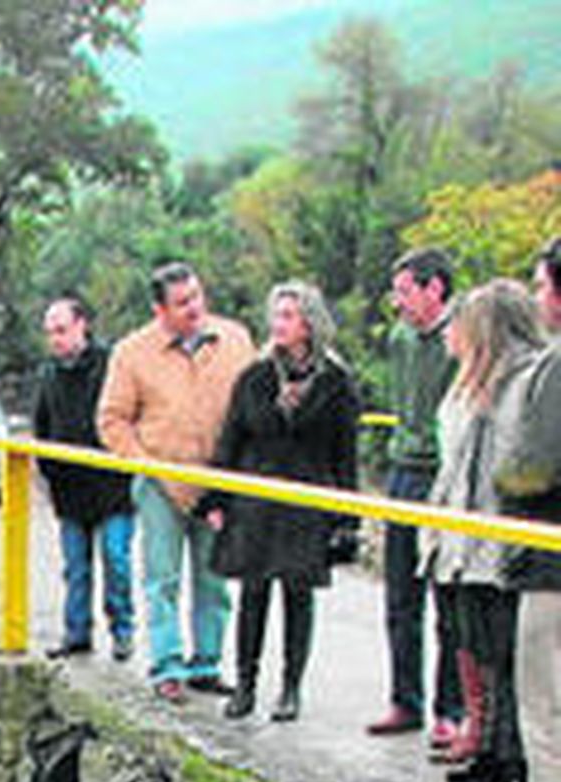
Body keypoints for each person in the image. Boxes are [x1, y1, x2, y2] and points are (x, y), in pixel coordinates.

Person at [98, 261, 255, 703]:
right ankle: (166, 665)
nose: (195, 308)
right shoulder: (132, 352)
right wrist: (145, 464)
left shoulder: (235, 339)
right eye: (183, 302)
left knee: (214, 578)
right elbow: (112, 420)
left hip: (218, 480)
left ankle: (206, 663)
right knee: (161, 578)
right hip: (160, 482)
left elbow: (252, 403)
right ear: (159, 310)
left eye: (198, 297)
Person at [203, 280, 360, 723]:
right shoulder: (255, 376)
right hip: (257, 497)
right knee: (253, 593)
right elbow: (231, 438)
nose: (280, 325)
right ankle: (245, 684)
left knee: (298, 595)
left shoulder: (335, 382)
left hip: (307, 498)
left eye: (289, 316)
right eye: (276, 316)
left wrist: (346, 516)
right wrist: (216, 497)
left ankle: (291, 688)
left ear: (309, 322)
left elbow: (344, 452)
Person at [420, 278, 544, 782]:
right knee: (479, 647)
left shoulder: (521, 383)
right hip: (464, 541)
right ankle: (493, 748)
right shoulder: (471, 386)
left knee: (506, 655)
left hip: (497, 543)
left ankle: (508, 756)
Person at [477, 236, 561, 782]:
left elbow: (531, 466)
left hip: (551, 561)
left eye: (541, 285)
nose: (538, 298)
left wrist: (506, 482)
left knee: (547, 702)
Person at [370, 247, 461, 741]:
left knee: (448, 597)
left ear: (435, 289)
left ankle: (450, 710)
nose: (398, 302)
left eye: (406, 291)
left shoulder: (460, 337)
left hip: (444, 476)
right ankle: (405, 699)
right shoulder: (401, 339)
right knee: (401, 595)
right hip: (403, 470)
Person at [32, 295, 135, 661]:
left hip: (113, 488)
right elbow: (41, 427)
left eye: (61, 330)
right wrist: (50, 472)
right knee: (76, 568)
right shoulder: (49, 374)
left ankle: (122, 630)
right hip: (70, 490)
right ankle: (77, 633)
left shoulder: (112, 366)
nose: (55, 339)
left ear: (81, 326)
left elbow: (129, 417)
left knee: (116, 560)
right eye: (49, 333)